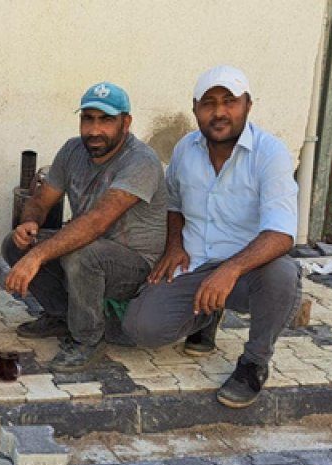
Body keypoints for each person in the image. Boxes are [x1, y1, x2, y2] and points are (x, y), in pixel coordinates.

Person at [125, 66, 302, 408]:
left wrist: (230, 270)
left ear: (248, 105)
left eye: (229, 101)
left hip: (247, 272)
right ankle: (206, 315)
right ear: (195, 109)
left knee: (282, 273)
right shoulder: (185, 149)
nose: (219, 112)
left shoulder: (270, 153)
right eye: (208, 103)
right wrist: (174, 245)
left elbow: (281, 233)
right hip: (195, 263)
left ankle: (254, 363)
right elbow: (174, 203)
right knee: (141, 328)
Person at [2, 82, 167, 371]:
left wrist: (37, 257)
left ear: (126, 123)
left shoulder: (142, 161)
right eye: (88, 119)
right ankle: (61, 315)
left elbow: (97, 222)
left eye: (106, 120)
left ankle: (88, 339)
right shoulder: (72, 150)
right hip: (91, 248)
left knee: (81, 255)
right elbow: (41, 200)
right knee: (14, 245)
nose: (94, 130)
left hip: (136, 264)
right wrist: (29, 222)